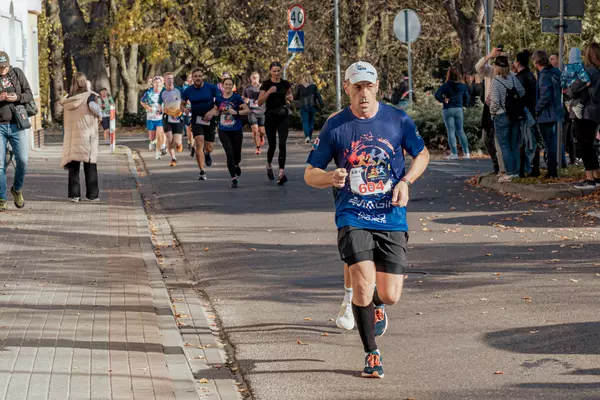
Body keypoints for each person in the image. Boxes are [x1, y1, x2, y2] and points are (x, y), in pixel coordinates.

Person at [305, 61, 430, 378]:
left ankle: (378, 304)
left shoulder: (397, 119)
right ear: (347, 88)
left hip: (391, 215)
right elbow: (310, 173)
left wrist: (406, 181)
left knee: (390, 294)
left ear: (377, 88)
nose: (363, 93)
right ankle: (372, 354)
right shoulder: (336, 126)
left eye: (369, 87)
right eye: (357, 87)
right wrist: (329, 177)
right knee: (361, 283)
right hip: (353, 215)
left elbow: (422, 154)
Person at [60, 72, 102, 202]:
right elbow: (94, 107)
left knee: (73, 167)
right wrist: (100, 115)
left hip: (72, 137)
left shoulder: (69, 99)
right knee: (90, 165)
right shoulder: (89, 97)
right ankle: (92, 195)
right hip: (86, 135)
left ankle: (74, 195)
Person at [0, 51, 32, 211]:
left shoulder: (17, 73)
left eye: (4, 67)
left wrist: (17, 97)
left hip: (17, 124)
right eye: (0, 67)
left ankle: (17, 189)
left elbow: (29, 95)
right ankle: (1, 198)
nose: (3, 70)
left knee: (23, 160)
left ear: (9, 64)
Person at [489, 55, 526, 182]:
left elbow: (495, 102)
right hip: (515, 115)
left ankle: (509, 172)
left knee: (504, 145)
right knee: (514, 144)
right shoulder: (513, 77)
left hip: (501, 115)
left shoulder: (496, 81)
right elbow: (522, 92)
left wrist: (492, 113)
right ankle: (516, 172)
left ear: (497, 67)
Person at [570, 43, 600, 189]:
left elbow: (574, 88)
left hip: (585, 113)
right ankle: (597, 177)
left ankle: (590, 180)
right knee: (590, 145)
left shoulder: (588, 71)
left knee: (584, 146)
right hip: (595, 112)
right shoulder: (598, 71)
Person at [258, 61, 293, 185]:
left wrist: (290, 98)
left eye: (278, 71)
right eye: (274, 71)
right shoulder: (266, 84)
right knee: (272, 145)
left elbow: (290, 95)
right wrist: (269, 92)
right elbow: (259, 102)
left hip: (283, 115)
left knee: (282, 144)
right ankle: (268, 165)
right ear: (270, 72)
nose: (277, 73)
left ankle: (281, 173)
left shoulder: (285, 83)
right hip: (270, 116)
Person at [181, 68, 220, 180]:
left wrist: (212, 111)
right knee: (199, 142)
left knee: (209, 147)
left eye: (199, 76)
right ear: (192, 78)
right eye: (195, 76)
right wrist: (184, 109)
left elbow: (219, 102)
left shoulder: (211, 88)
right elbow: (182, 104)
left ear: (202, 77)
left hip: (209, 119)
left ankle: (207, 153)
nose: (197, 78)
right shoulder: (188, 90)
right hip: (196, 119)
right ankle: (202, 171)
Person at [533, 50, 563, 179]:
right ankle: (553, 168)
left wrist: (536, 109)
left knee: (549, 143)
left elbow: (545, 95)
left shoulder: (544, 75)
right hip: (556, 111)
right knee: (552, 142)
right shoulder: (555, 72)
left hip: (546, 114)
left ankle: (552, 170)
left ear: (536, 61)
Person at [476, 47, 506, 175]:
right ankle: (496, 162)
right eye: (497, 60)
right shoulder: (490, 71)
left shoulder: (509, 74)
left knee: (499, 140)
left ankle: (502, 168)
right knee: (486, 139)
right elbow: (478, 67)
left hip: (501, 110)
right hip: (488, 109)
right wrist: (489, 55)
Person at [216, 77, 250, 188]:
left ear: (233, 86)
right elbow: (215, 110)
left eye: (230, 84)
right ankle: (233, 178)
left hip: (236, 129)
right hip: (223, 130)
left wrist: (236, 112)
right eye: (226, 84)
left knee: (237, 154)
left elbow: (247, 110)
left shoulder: (236, 97)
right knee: (229, 153)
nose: (228, 86)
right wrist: (210, 114)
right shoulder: (218, 98)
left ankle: (236, 164)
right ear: (222, 85)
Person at [514, 50, 540, 177]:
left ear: (518, 63)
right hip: (532, 111)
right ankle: (535, 167)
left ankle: (522, 170)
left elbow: (518, 96)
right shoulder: (531, 76)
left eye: (514, 61)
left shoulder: (519, 78)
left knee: (522, 140)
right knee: (533, 139)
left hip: (523, 112)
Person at [434, 66, 470, 160]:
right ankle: (467, 153)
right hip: (459, 109)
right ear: (458, 74)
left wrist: (443, 100)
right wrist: (464, 106)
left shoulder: (446, 85)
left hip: (448, 109)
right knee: (461, 131)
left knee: (451, 131)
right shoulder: (463, 86)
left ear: (448, 75)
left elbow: (436, 94)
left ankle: (454, 154)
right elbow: (467, 97)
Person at [161, 72, 184, 167]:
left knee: (177, 141)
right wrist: (159, 108)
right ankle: (173, 158)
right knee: (169, 138)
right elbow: (159, 104)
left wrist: (184, 107)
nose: (170, 80)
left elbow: (186, 100)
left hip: (178, 117)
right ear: (164, 80)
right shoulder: (162, 92)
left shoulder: (179, 90)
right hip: (167, 117)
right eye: (168, 79)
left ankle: (179, 144)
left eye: (171, 78)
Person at [141, 76, 166, 159]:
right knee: (152, 137)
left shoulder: (164, 92)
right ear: (153, 83)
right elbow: (142, 102)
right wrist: (148, 108)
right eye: (156, 82)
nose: (157, 84)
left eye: (159, 82)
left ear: (161, 83)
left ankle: (158, 153)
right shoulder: (149, 93)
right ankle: (152, 141)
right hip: (151, 117)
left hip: (161, 117)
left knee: (159, 134)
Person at [295, 73, 323, 143]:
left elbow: (296, 96)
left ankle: (307, 136)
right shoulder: (314, 87)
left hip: (303, 107)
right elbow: (318, 96)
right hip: (312, 106)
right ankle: (309, 137)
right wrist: (322, 104)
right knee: (311, 122)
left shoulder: (299, 87)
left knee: (305, 122)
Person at [242, 72, 266, 154]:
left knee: (262, 131)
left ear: (259, 78)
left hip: (261, 111)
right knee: (255, 130)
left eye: (256, 77)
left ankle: (262, 136)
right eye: (253, 78)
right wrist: (245, 100)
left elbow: (267, 97)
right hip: (252, 111)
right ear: (251, 78)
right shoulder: (247, 88)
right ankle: (258, 148)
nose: (255, 79)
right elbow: (243, 97)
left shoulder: (263, 87)